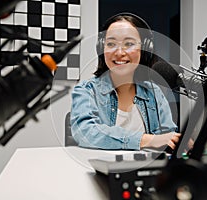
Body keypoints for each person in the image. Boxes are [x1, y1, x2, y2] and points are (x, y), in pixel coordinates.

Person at [70, 12, 181, 151]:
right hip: (99, 170)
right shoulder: (86, 90)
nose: (120, 52)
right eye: (111, 43)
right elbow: (85, 132)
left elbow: (166, 136)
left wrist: (177, 142)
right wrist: (146, 140)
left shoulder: (154, 93)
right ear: (101, 49)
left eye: (129, 43)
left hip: (145, 170)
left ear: (144, 50)